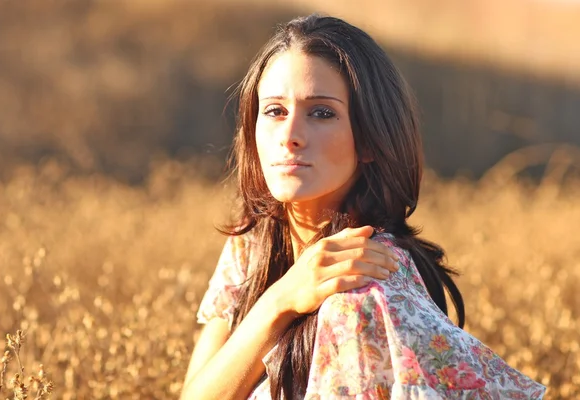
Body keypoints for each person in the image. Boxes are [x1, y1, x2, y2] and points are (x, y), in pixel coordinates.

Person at [181, 14, 546, 400]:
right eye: (274, 110)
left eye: (321, 112)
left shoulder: (363, 284)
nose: (289, 136)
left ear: (371, 139)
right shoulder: (252, 245)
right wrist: (280, 300)